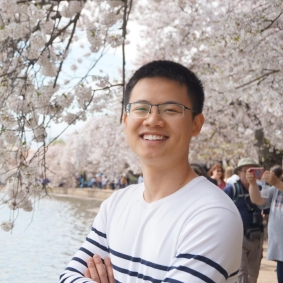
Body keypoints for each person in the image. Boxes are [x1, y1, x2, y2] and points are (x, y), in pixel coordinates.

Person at [60, 60, 243, 283]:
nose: (153, 120)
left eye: (171, 110)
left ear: (196, 124)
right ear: (126, 119)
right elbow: (68, 277)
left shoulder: (213, 215)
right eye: (141, 108)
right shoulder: (116, 205)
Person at [224, 157, 264, 283]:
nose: (249, 174)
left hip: (257, 235)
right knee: (241, 272)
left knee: (253, 272)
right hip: (239, 236)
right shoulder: (232, 189)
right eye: (246, 170)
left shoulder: (261, 188)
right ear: (239, 172)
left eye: (252, 170)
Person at [248, 164, 283, 283]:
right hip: (281, 252)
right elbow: (258, 200)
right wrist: (252, 184)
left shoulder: (278, 186)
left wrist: (277, 183)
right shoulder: (276, 190)